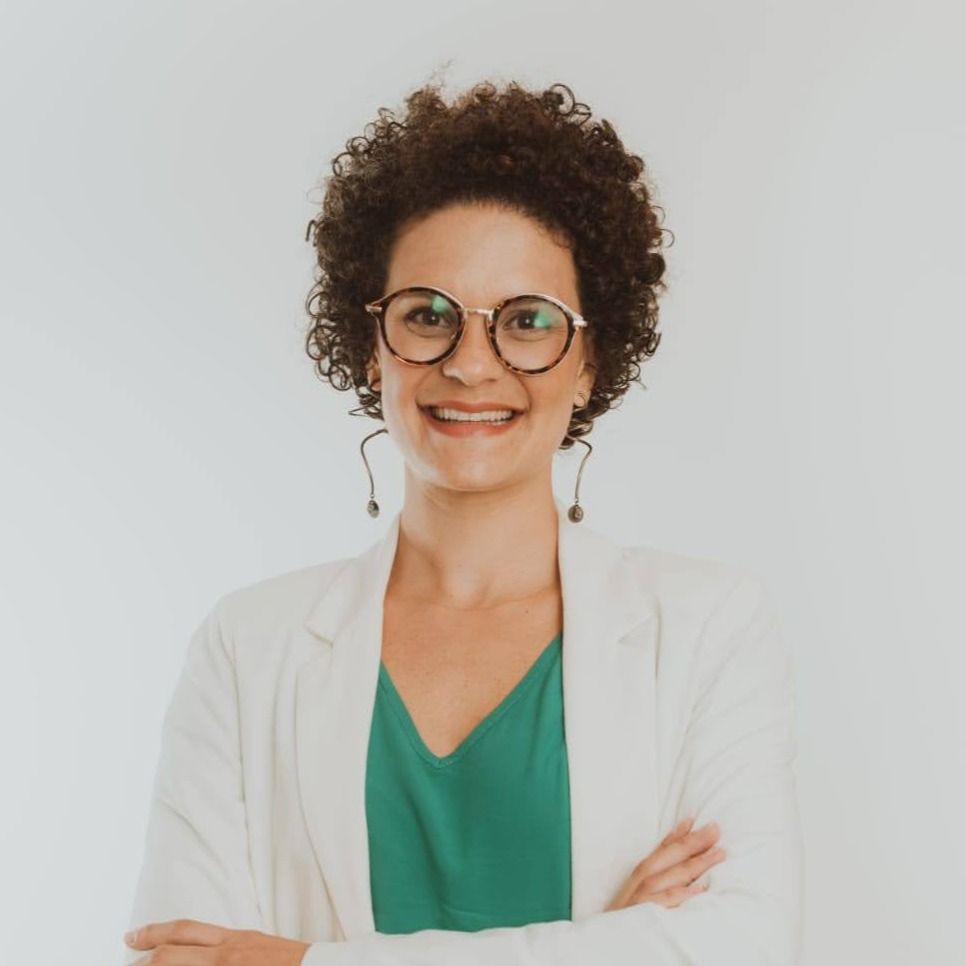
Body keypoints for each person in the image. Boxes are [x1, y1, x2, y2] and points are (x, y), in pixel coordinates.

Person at [121, 79, 803, 966]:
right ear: (374, 349)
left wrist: (303, 961)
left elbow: (743, 947)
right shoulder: (247, 649)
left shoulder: (707, 629)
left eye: (528, 322)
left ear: (589, 362)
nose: (472, 365)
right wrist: (608, 942)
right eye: (427, 315)